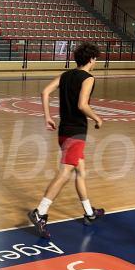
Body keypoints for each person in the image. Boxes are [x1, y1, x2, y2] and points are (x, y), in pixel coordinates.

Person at [28, 42, 105, 239]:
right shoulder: (88, 78)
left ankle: (89, 212)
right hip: (76, 133)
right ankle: (40, 212)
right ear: (91, 59)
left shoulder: (66, 75)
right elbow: (82, 105)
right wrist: (97, 118)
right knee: (65, 173)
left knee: (81, 170)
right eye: (95, 59)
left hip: (63, 131)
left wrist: (47, 116)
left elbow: (45, 92)